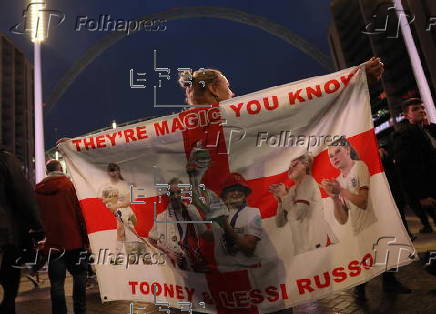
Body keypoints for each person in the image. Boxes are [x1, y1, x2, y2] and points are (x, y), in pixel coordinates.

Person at [35, 159, 88, 314]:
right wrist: (85, 239)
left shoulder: (37, 190)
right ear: (60, 169)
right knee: (79, 275)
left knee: (57, 283)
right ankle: (80, 310)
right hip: (73, 240)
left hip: (52, 243)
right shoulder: (69, 186)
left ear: (47, 172)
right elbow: (80, 214)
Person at [0, 148, 45, 314]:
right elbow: (24, 196)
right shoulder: (6, 160)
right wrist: (38, 227)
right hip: (6, 237)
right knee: (9, 289)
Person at [270, 153, 338, 255]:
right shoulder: (292, 190)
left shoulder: (308, 181)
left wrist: (284, 196)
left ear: (305, 165)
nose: (291, 168)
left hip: (319, 242)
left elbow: (298, 214)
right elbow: (280, 223)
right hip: (302, 247)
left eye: (295, 165)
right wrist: (280, 201)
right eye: (289, 167)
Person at [392, 98, 436, 233]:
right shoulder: (403, 135)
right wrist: (422, 195)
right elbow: (407, 168)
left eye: (421, 107)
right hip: (428, 186)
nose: (421, 111)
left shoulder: (429, 129)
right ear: (406, 115)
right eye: (415, 109)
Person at [148, 177, 210, 272]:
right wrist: (167, 254)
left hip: (197, 262)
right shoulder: (161, 217)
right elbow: (151, 240)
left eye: (179, 192)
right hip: (177, 266)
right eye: (172, 193)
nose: (176, 196)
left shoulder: (192, 210)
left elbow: (205, 234)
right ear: (168, 195)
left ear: (184, 193)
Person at [321, 137, 377, 235]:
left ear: (347, 150)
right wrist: (334, 199)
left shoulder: (359, 166)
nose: (334, 157)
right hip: (358, 233)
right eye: (331, 156)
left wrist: (340, 190)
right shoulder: (338, 181)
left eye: (338, 151)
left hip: (372, 228)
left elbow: (363, 203)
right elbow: (342, 220)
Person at [99, 163, 148, 264]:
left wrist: (115, 204)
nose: (113, 173)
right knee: (125, 233)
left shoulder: (124, 184)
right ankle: (140, 254)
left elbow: (128, 202)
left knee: (127, 232)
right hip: (114, 212)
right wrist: (110, 200)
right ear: (108, 172)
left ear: (118, 171)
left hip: (124, 211)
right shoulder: (105, 185)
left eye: (115, 170)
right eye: (111, 170)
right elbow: (103, 199)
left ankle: (126, 255)